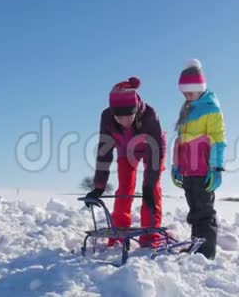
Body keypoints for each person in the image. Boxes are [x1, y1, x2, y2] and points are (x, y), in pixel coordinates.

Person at [85, 77, 166, 248]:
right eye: (119, 117)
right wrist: (99, 186)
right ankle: (119, 235)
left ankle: (151, 236)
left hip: (152, 149)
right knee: (124, 189)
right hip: (125, 149)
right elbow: (104, 151)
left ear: (136, 110)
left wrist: (149, 187)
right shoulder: (106, 118)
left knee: (152, 190)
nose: (124, 121)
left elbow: (155, 152)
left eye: (129, 115)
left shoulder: (150, 115)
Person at [171, 59, 226, 259]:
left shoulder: (211, 109)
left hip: (203, 168)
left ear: (201, 88)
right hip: (188, 169)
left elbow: (218, 140)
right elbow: (180, 141)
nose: (187, 96)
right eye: (184, 93)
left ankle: (206, 251)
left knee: (204, 210)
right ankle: (196, 246)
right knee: (194, 210)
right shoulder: (188, 108)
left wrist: (216, 168)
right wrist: (176, 166)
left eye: (190, 92)